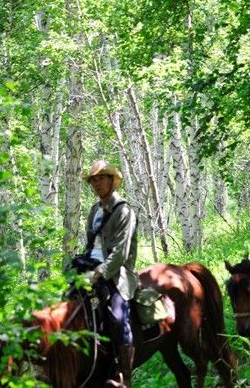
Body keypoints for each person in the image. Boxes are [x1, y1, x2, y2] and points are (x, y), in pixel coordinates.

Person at [82, 160, 138, 388]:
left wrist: (99, 273)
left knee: (117, 317)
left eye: (101, 178)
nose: (97, 183)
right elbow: (91, 243)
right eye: (93, 180)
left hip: (116, 273)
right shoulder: (94, 210)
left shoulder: (124, 210)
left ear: (112, 181)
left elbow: (120, 253)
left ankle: (125, 375)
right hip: (91, 269)